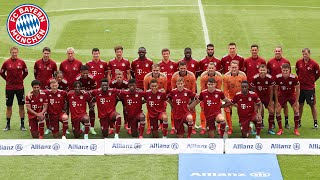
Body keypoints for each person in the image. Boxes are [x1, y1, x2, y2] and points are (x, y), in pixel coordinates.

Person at [0, 46, 28, 131]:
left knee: (21, 106)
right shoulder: (6, 63)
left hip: (20, 87)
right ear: (10, 53)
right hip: (9, 88)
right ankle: (8, 125)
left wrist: (20, 79)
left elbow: (26, 72)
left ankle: (22, 125)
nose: (14, 54)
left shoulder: (22, 62)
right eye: (13, 52)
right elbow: (1, 73)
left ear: (17, 53)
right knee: (9, 106)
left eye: (16, 52)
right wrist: (7, 79)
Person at [267, 46, 291, 129]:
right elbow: (268, 74)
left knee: (285, 105)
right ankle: (273, 122)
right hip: (273, 88)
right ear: (274, 52)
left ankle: (287, 122)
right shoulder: (270, 62)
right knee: (273, 105)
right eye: (276, 51)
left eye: (279, 51)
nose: (277, 52)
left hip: (283, 87)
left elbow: (289, 74)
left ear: (281, 52)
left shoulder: (286, 62)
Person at [296, 48, 320, 128]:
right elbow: (297, 72)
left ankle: (315, 123)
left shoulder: (314, 64)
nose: (304, 56)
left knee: (312, 105)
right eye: (303, 54)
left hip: (310, 89)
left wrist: (312, 81)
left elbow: (317, 75)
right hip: (301, 88)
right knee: (300, 105)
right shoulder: (298, 62)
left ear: (309, 53)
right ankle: (299, 122)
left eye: (306, 54)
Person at [274, 63, 300, 136]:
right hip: (282, 95)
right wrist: (276, 101)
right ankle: (280, 129)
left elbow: (298, 89)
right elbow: (275, 90)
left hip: (291, 95)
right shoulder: (278, 77)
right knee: (278, 110)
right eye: (283, 70)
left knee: (296, 110)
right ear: (281, 70)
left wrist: (297, 101)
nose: (285, 72)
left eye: (286, 70)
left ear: (289, 70)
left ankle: (296, 129)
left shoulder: (294, 77)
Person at [171, 61, 197, 134]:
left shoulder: (191, 75)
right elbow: (173, 88)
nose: (182, 70)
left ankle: (193, 127)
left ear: (186, 68)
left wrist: (191, 101)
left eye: (184, 68)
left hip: (188, 95)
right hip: (177, 96)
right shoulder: (175, 76)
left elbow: (193, 88)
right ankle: (173, 127)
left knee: (192, 110)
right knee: (173, 110)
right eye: (181, 68)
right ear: (179, 68)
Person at [250, 64, 275, 134]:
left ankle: (270, 129)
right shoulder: (255, 78)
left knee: (272, 111)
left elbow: (271, 90)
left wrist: (270, 101)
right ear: (258, 70)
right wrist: (255, 101)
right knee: (257, 112)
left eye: (264, 70)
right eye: (261, 70)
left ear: (266, 70)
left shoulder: (270, 78)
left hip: (267, 97)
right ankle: (257, 128)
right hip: (258, 97)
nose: (262, 72)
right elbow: (252, 90)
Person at [223, 60, 247, 134]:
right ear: (229, 67)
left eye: (235, 67)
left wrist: (241, 99)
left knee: (244, 109)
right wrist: (229, 100)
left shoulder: (243, 75)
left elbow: (245, 89)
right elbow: (225, 90)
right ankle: (230, 128)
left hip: (240, 97)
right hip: (230, 97)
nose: (234, 69)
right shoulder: (226, 76)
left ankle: (244, 125)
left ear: (238, 68)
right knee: (226, 108)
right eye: (232, 67)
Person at [199, 62, 223, 134]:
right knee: (203, 109)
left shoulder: (218, 78)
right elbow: (203, 89)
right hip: (206, 96)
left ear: (215, 69)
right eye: (209, 68)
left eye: (212, 68)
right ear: (207, 69)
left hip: (215, 96)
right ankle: (203, 127)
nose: (211, 69)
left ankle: (219, 127)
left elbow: (218, 89)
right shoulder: (203, 78)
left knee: (218, 110)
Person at [144, 64, 167, 134]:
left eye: (157, 70)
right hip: (151, 97)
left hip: (160, 97)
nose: (155, 72)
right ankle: (149, 127)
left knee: (163, 110)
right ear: (151, 70)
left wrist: (162, 93)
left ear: (159, 70)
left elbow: (164, 89)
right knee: (150, 110)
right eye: (154, 70)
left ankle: (162, 125)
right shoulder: (147, 77)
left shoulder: (163, 77)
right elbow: (145, 90)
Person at [158, 48, 178, 135]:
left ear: (169, 54)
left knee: (174, 108)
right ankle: (161, 124)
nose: (165, 55)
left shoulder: (174, 64)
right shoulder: (159, 65)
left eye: (167, 54)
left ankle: (173, 126)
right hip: (163, 90)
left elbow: (177, 77)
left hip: (172, 90)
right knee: (162, 107)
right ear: (162, 54)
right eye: (164, 54)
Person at [75, 65, 97, 135]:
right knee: (81, 111)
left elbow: (94, 89)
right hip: (81, 95)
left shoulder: (92, 78)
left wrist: (93, 99)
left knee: (92, 109)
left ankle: (92, 127)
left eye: (86, 73)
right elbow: (76, 89)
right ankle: (83, 125)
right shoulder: (77, 78)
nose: (85, 75)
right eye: (83, 73)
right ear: (80, 72)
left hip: (89, 94)